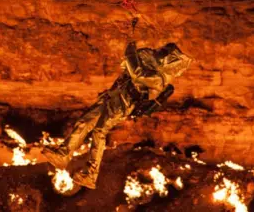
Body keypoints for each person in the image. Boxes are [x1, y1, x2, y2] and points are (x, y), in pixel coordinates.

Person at [42, 41, 193, 189]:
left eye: (165, 52)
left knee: (99, 131)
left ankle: (91, 174)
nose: (161, 52)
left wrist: (130, 52)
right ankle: (63, 154)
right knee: (84, 122)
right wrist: (133, 55)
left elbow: (137, 73)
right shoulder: (151, 66)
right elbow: (126, 67)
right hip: (113, 95)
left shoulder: (159, 79)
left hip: (123, 102)